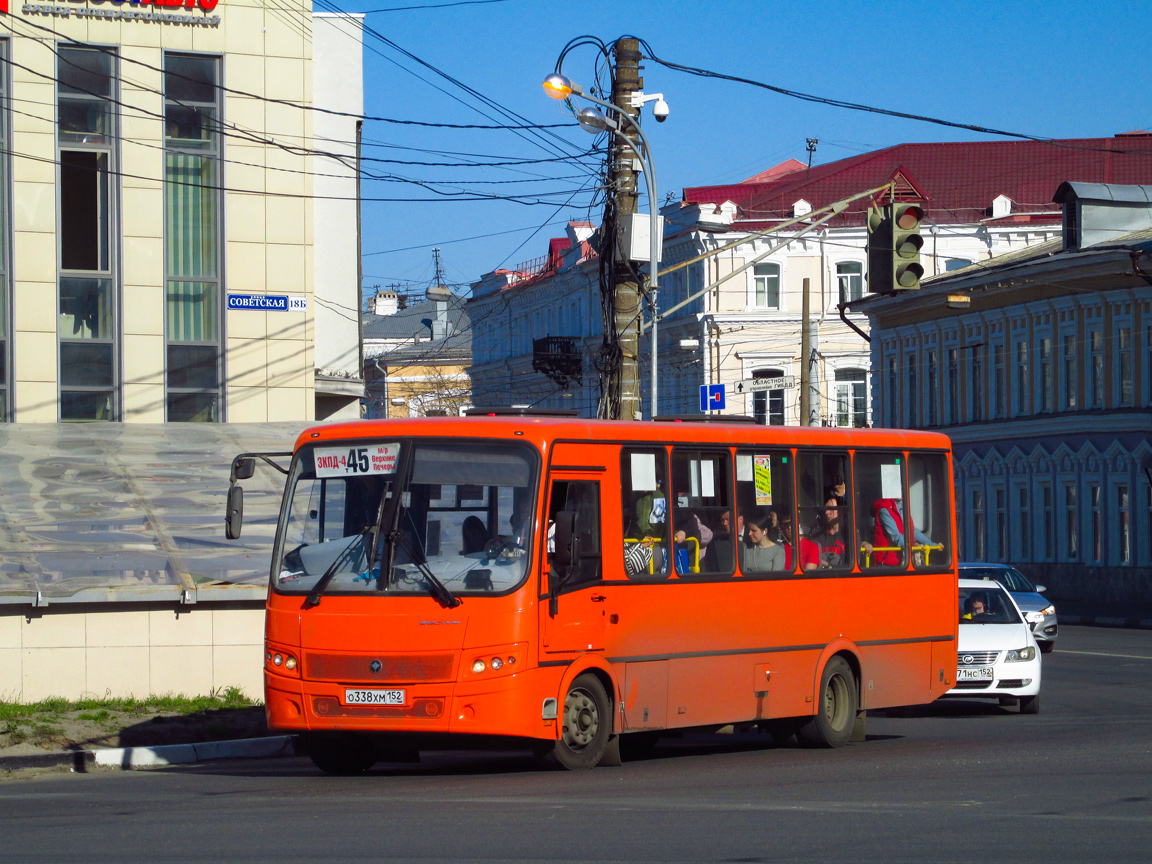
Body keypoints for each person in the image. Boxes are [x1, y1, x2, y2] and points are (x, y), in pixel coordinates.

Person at [869, 498, 935, 567]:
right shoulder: (884, 509)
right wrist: (912, 549)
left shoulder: (903, 507)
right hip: (886, 564)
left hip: (901, 562)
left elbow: (912, 530)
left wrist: (931, 544)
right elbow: (895, 535)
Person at [800, 496, 846, 570]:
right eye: (826, 509)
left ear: (841, 511)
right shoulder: (817, 536)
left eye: (831, 509)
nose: (826, 512)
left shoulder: (849, 536)